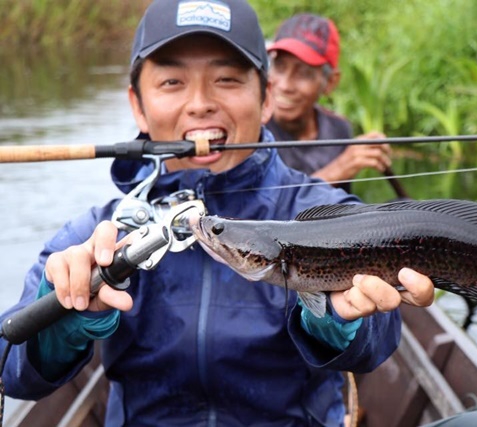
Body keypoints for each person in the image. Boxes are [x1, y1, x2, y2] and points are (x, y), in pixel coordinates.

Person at [0, 1, 434, 425]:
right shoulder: (96, 234)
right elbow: (9, 369)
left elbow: (380, 342)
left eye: (227, 78)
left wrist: (337, 321)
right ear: (137, 105)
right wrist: (63, 315)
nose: (200, 103)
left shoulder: (328, 214)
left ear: (266, 99)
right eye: (172, 82)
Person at [266, 13, 392, 193]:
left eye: (303, 73)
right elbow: (265, 209)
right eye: (279, 66)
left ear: (330, 82)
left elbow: (340, 208)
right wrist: (340, 168)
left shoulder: (339, 129)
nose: (285, 85)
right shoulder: (253, 129)